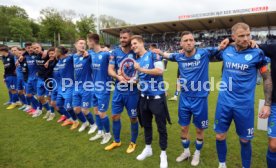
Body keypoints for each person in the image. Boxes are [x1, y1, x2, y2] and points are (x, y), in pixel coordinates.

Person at [154, 31, 224, 166]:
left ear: (194, 42)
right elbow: (167, 55)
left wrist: (228, 43)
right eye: (185, 40)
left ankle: (196, 153)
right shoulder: (179, 56)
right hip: (184, 99)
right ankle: (186, 152)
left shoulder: (204, 53)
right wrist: (160, 52)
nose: (188, 42)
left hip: (200, 98)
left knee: (199, 129)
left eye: (191, 40)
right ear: (181, 43)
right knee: (183, 128)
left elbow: (222, 47)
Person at [213, 22, 272, 168]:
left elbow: (267, 78)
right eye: (241, 36)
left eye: (248, 35)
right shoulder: (226, 50)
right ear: (233, 37)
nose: (246, 38)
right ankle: (222, 164)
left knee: (245, 140)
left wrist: (267, 103)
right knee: (220, 135)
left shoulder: (257, 53)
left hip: (244, 105)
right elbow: (207, 55)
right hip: (224, 103)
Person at [132, 35, 170, 168]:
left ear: (142, 43)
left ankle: (163, 154)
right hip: (143, 98)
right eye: (132, 45)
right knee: (146, 125)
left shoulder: (153, 55)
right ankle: (148, 148)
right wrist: (132, 80)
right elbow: (139, 78)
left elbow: (160, 71)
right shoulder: (138, 59)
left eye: (135, 43)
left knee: (161, 127)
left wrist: (140, 69)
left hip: (157, 98)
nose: (133, 46)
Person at [105, 29, 139, 154]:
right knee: (114, 116)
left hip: (132, 92)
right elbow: (110, 69)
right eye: (121, 37)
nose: (122, 40)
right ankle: (117, 140)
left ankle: (133, 142)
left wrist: (135, 80)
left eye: (125, 38)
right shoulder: (115, 52)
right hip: (119, 90)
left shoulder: (136, 52)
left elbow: (142, 68)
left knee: (133, 118)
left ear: (130, 38)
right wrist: (118, 77)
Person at [87, 33, 112, 144]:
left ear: (92, 41)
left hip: (104, 88)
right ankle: (100, 131)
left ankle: (108, 134)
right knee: (96, 111)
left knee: (102, 113)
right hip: (94, 87)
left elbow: (113, 65)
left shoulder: (106, 54)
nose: (87, 43)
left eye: (88, 41)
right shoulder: (90, 53)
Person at [71, 38, 97, 132]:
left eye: (84, 44)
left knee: (84, 110)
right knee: (76, 109)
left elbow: (96, 54)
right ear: (75, 45)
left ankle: (93, 124)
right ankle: (85, 123)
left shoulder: (88, 54)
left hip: (87, 86)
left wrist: (89, 54)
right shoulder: (73, 57)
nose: (83, 45)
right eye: (80, 43)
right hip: (77, 86)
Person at [0, 45, 19, 109]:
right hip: (7, 75)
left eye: (0, 51)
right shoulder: (3, 57)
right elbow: (5, 67)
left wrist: (16, 70)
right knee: (9, 89)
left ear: (3, 51)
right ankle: (11, 101)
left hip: (13, 75)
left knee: (13, 89)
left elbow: (17, 64)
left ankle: (14, 102)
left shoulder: (12, 56)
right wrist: (4, 76)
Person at [11, 46, 28, 110]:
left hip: (24, 78)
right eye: (12, 50)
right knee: (19, 92)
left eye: (15, 50)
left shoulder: (23, 57)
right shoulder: (15, 57)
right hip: (18, 78)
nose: (13, 52)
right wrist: (15, 70)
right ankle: (25, 104)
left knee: (27, 92)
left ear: (19, 50)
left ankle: (32, 105)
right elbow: (17, 65)